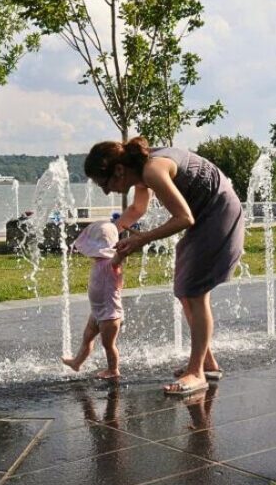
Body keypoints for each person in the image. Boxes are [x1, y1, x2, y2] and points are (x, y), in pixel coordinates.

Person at [84, 137, 244, 396]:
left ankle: (197, 373)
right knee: (184, 291)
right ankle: (206, 363)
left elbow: (183, 218)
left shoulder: (152, 169)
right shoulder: (141, 170)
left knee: (195, 292)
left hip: (218, 213)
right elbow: (137, 209)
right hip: (206, 215)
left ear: (119, 171)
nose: (105, 191)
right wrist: (110, 233)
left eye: (104, 184)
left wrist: (141, 239)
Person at [61, 221, 125, 379]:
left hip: (110, 315)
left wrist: (123, 251)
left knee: (108, 345)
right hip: (97, 312)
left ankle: (113, 370)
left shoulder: (111, 263)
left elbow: (118, 259)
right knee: (87, 337)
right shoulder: (99, 262)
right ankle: (77, 362)